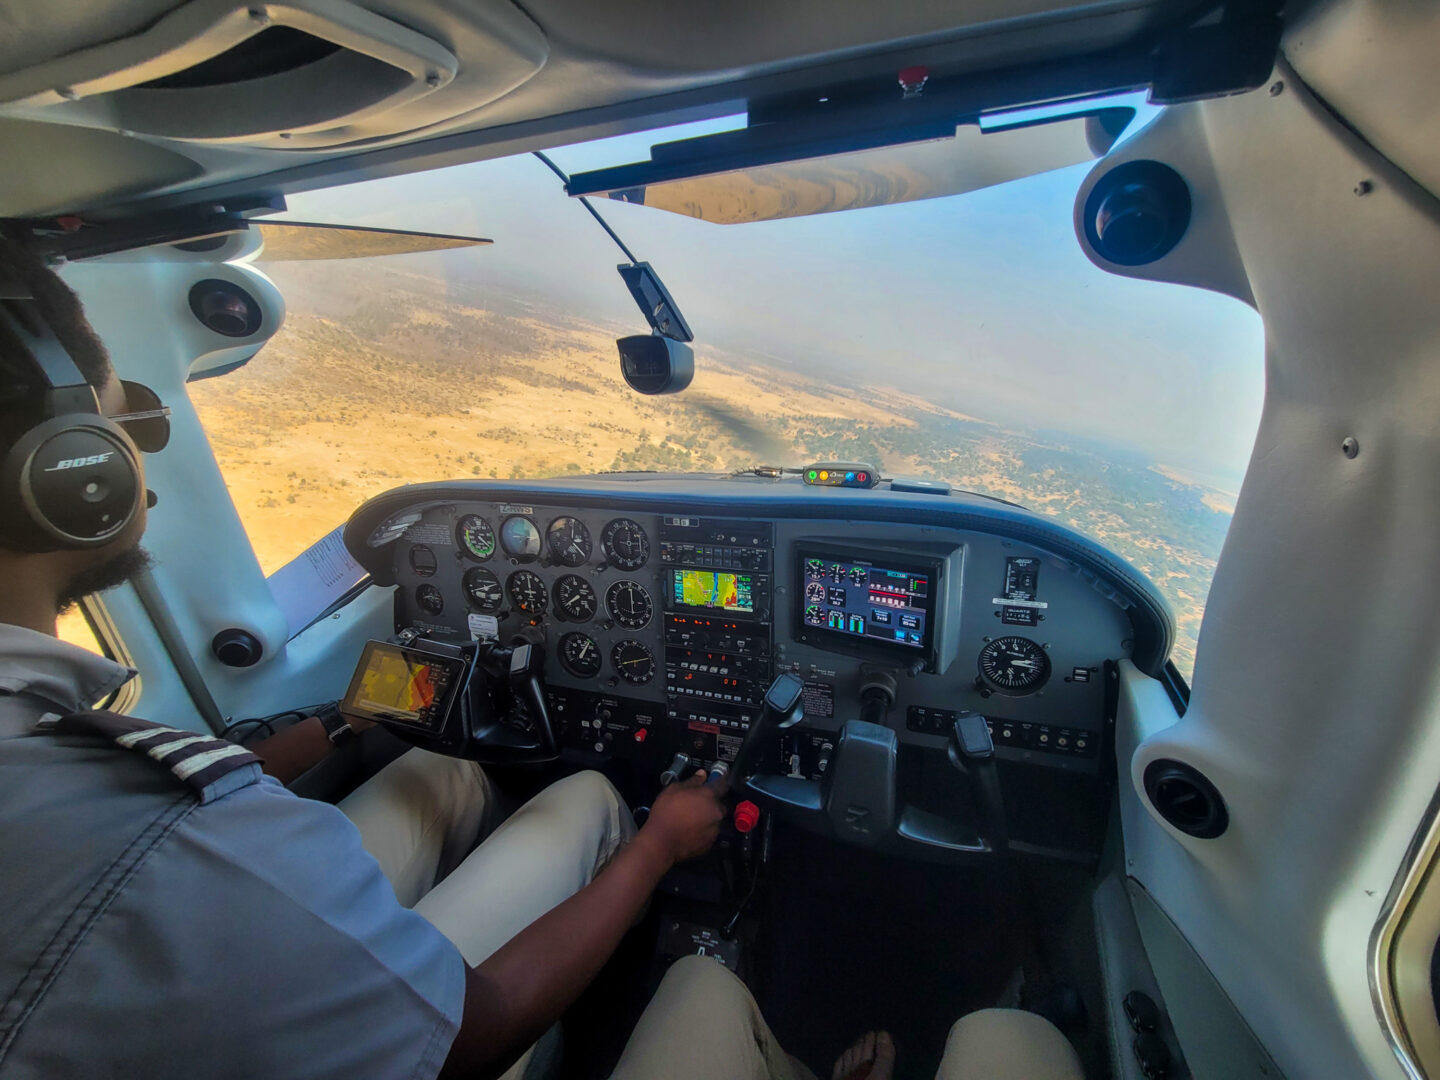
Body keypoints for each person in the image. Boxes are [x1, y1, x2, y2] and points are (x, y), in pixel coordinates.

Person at [0, 233, 1082, 1080]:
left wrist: (341, 721)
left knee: (444, 770)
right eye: (128, 428)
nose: (140, 457)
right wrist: (660, 847)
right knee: (695, 950)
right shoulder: (141, 841)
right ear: (68, 474)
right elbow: (469, 1034)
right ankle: (726, 991)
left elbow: (193, 798)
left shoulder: (55, 763)